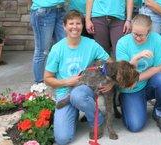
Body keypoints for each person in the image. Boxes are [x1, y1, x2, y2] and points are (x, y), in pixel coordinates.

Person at [44, 10, 111, 145]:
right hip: (64, 93)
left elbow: (110, 63)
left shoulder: (91, 44)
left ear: (82, 25)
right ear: (64, 26)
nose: (75, 27)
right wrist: (67, 81)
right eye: (71, 23)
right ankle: (73, 113)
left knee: (77, 95)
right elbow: (47, 78)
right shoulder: (57, 49)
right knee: (62, 139)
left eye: (78, 23)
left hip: (85, 90)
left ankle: (98, 120)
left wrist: (109, 82)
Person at [115, 14, 161, 134]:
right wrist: (135, 59)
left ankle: (159, 113)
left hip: (145, 83)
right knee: (135, 126)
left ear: (149, 32)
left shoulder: (156, 39)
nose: (137, 38)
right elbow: (125, 76)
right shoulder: (122, 43)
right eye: (135, 34)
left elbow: (159, 67)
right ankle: (126, 102)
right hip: (130, 88)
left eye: (141, 35)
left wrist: (137, 79)